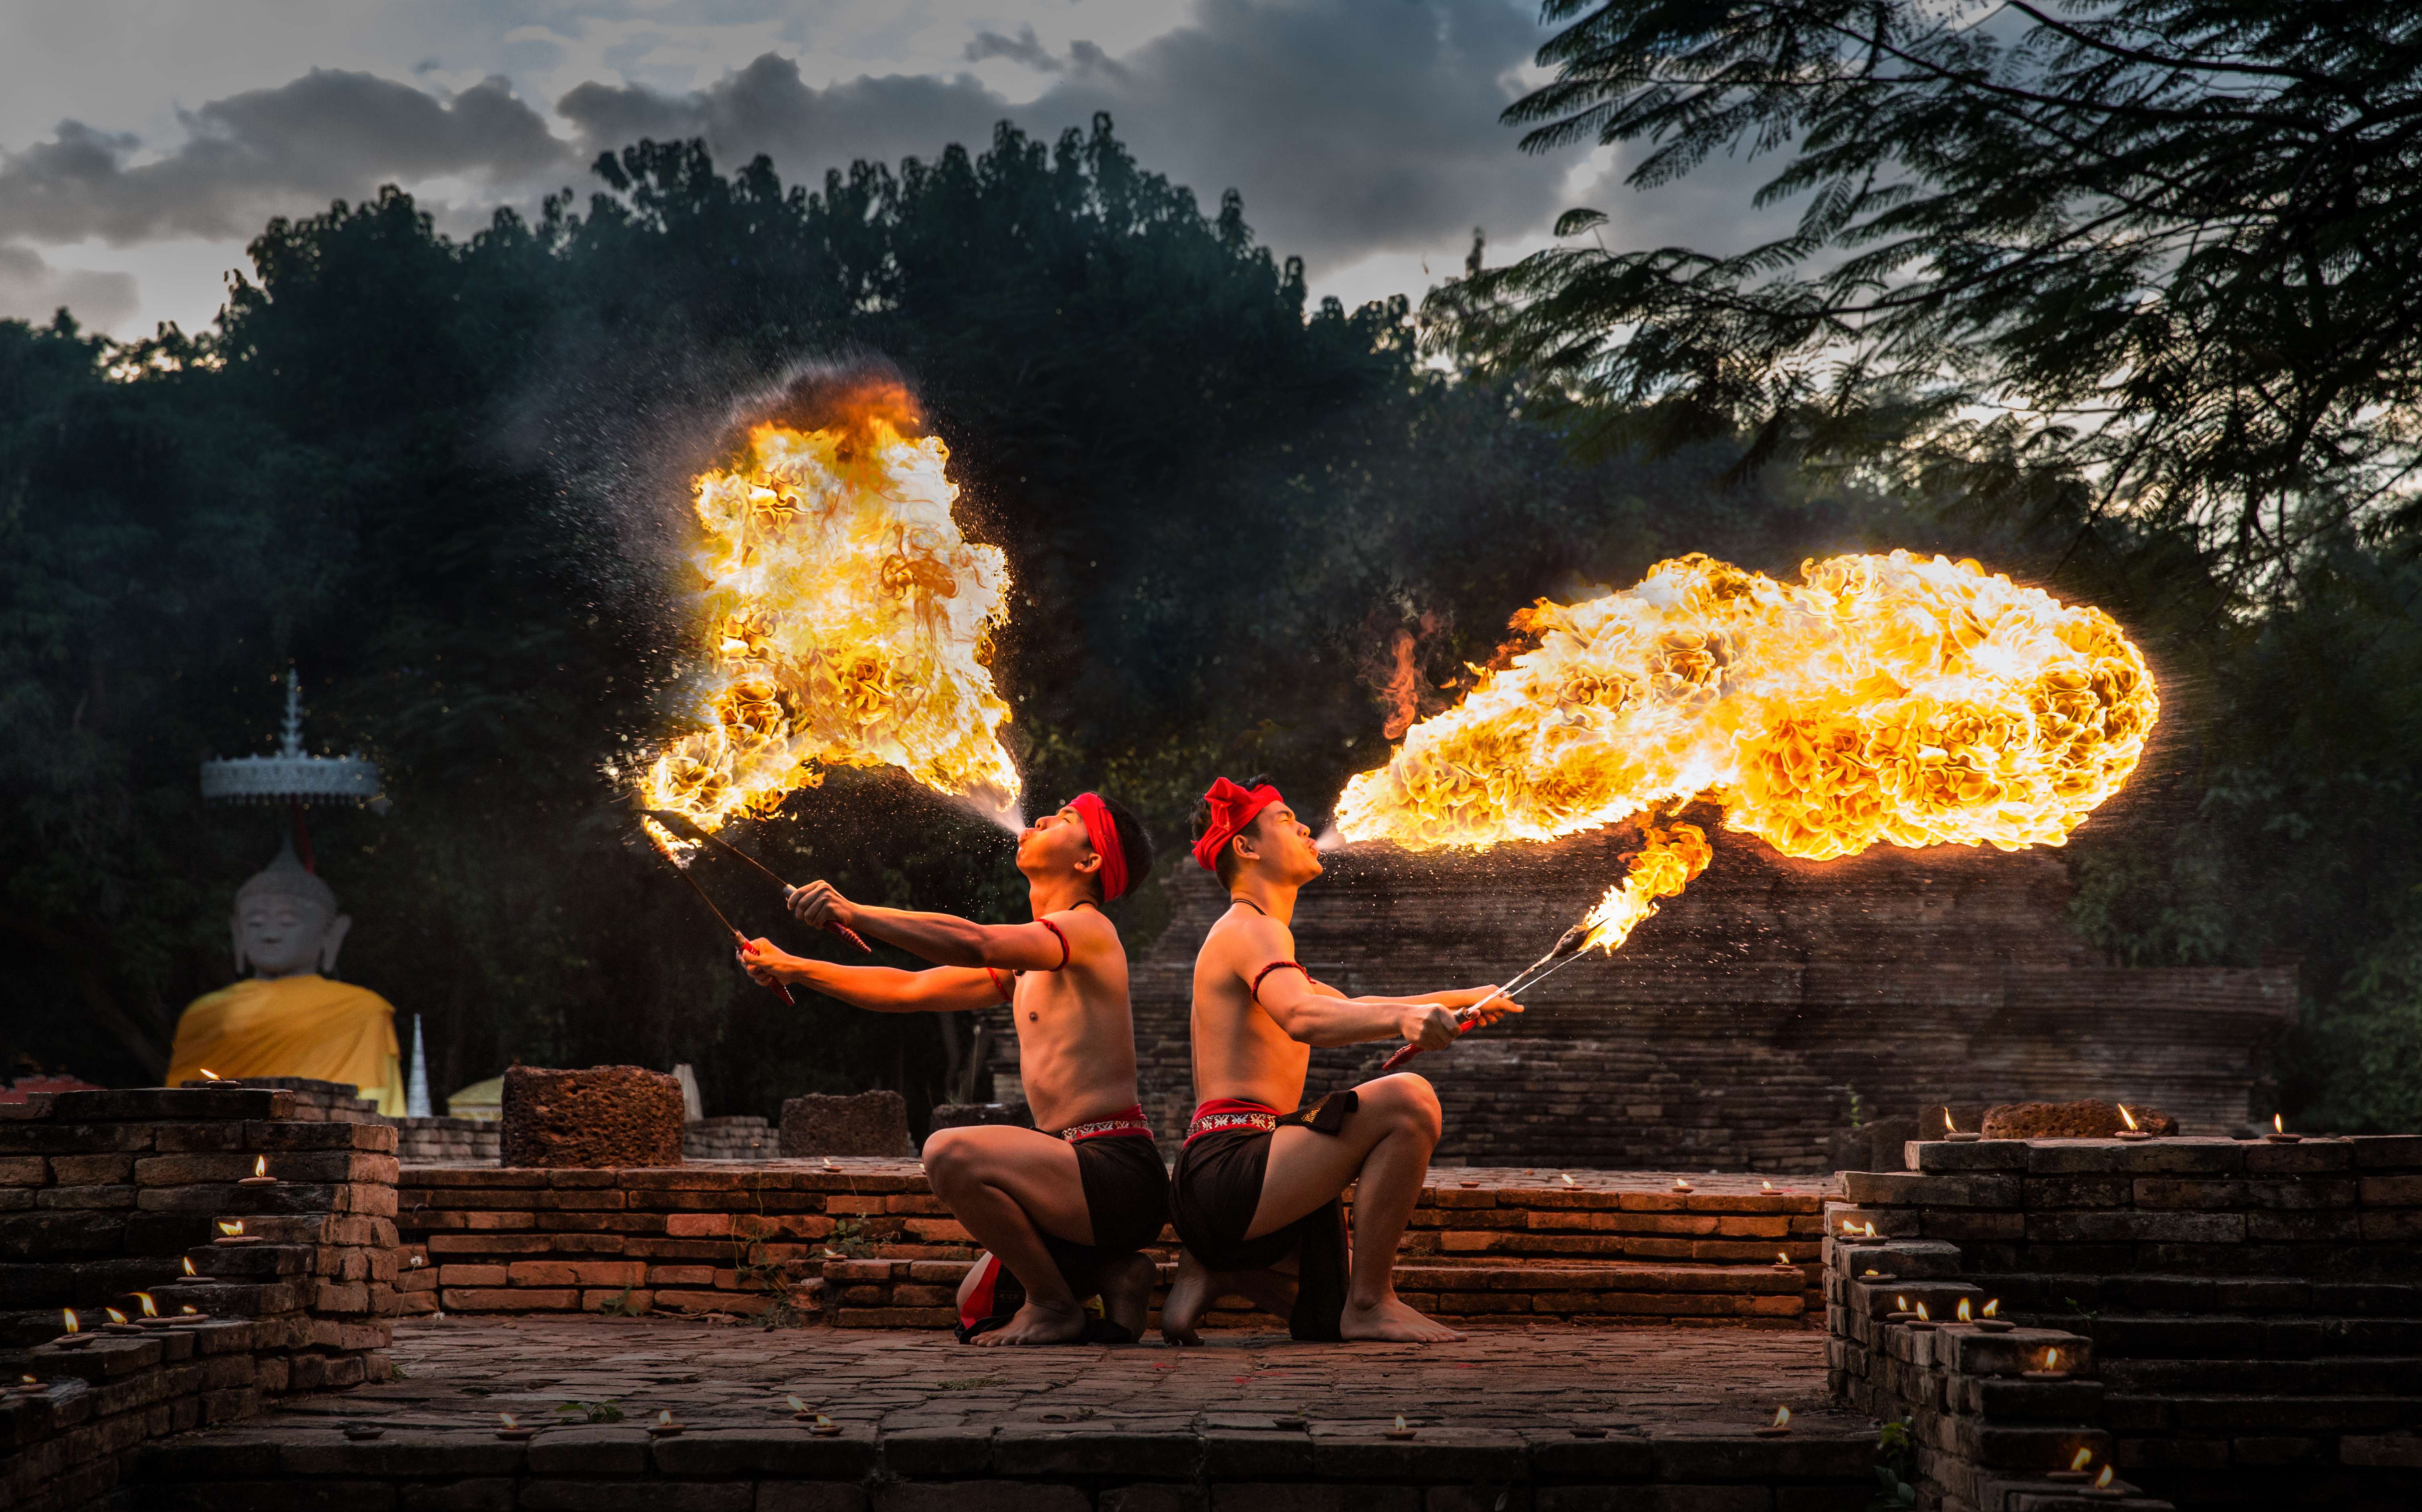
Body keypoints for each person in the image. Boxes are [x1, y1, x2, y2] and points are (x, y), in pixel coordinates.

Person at [739, 792, 1164, 1346]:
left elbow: (974, 940)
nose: (1037, 820)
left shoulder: (1088, 930)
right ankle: (1116, 1274)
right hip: (1065, 1181)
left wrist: (855, 911)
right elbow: (909, 988)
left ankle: (1055, 1304)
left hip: (1115, 1173)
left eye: (1064, 820)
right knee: (974, 1307)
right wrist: (794, 968)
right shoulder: (1028, 959)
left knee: (947, 1151)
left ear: (1089, 863)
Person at [1161, 775, 1510, 1345]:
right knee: (1408, 1098)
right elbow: (1303, 1018)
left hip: (1243, 1182)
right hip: (1231, 1173)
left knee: (1320, 1312)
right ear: (1245, 848)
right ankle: (1371, 1304)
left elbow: (1348, 1007)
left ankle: (1218, 1268)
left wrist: (1465, 997)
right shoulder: (1251, 929)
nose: (1304, 827)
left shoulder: (1258, 938)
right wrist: (1404, 1021)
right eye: (1283, 819)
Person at [166, 841, 402, 1113]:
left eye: (288, 922)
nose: (270, 935)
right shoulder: (204, 1014)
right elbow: (177, 1102)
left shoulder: (361, 1011)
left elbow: (382, 1104)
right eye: (255, 923)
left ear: (331, 934)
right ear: (238, 932)